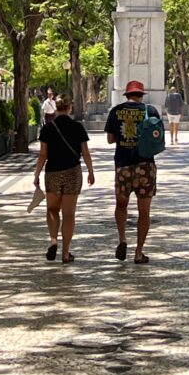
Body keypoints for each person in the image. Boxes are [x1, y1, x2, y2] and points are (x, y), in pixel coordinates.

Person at [105, 80, 162, 264]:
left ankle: (122, 238)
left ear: (127, 94)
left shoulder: (116, 111)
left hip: (123, 165)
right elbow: (158, 138)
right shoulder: (150, 111)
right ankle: (139, 252)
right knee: (144, 211)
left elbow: (110, 139)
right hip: (145, 166)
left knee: (121, 205)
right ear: (141, 94)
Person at [33, 97, 95, 262]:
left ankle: (54, 240)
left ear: (56, 108)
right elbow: (85, 153)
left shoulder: (47, 128)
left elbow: (43, 154)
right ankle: (66, 253)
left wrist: (37, 174)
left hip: (52, 172)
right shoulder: (77, 127)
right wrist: (90, 171)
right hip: (72, 172)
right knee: (69, 214)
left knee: (52, 209)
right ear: (69, 108)